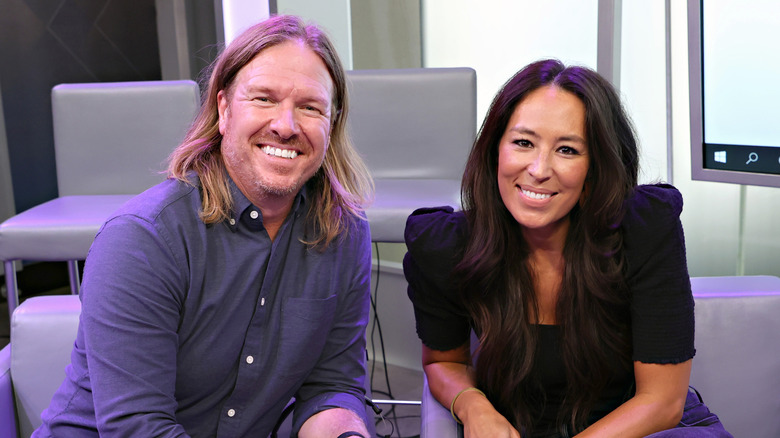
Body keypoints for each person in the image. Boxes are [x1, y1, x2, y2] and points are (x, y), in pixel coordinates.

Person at [36, 15, 374, 438]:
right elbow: (139, 429)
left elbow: (332, 386)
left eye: (310, 107)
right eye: (264, 99)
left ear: (332, 122)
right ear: (224, 108)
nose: (286, 127)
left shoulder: (345, 232)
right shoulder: (142, 239)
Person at [403, 59, 732, 438]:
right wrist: (475, 408)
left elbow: (662, 401)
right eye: (523, 143)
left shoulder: (644, 230)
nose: (540, 169)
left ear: (597, 167)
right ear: (496, 150)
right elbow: (444, 362)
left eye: (568, 150)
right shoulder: (447, 246)